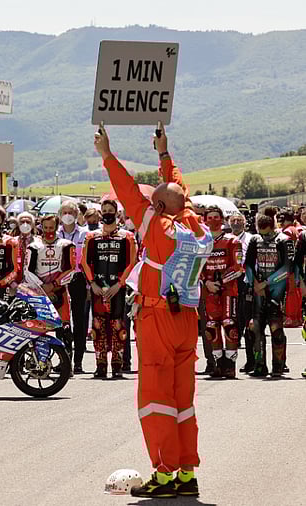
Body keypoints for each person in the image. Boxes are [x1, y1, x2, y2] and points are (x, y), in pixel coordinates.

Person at [96, 122, 208, 497]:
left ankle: (163, 473)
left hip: (157, 317)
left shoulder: (153, 222)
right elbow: (181, 188)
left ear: (158, 204)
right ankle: (187, 472)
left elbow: (126, 189)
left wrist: (108, 155)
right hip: (186, 319)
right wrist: (164, 154)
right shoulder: (192, 221)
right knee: (183, 399)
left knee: (155, 399)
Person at [81, 199, 137, 379]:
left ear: (116, 212)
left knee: (118, 326)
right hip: (98, 288)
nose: (107, 213)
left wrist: (119, 284)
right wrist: (93, 284)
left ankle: (118, 365)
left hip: (118, 289)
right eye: (104, 210)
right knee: (98, 326)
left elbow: (132, 262)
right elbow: (85, 262)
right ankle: (100, 364)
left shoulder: (127, 236)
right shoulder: (91, 237)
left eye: (110, 210)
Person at [26, 215, 76, 371]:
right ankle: (37, 361)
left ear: (57, 227)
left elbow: (71, 269)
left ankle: (66, 363)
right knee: (37, 328)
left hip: (59, 291)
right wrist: (42, 286)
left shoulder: (66, 245)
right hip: (39, 293)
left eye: (51, 228)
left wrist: (54, 284)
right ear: (41, 226)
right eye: (46, 228)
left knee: (64, 328)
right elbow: (27, 271)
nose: (49, 231)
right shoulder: (33, 246)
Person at [244, 213, 292, 377]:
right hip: (258, 289)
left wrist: (266, 283)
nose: (264, 237)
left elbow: (287, 269)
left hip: (277, 289)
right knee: (255, 328)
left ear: (273, 226)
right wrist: (255, 284)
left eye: (268, 234)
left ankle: (278, 365)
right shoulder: (254, 240)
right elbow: (248, 264)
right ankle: (259, 365)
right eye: (262, 234)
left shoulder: (284, 240)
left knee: (276, 328)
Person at [200, 206, 244, 378]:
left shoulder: (233, 241)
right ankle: (218, 363)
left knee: (229, 323)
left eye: (216, 217)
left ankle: (230, 364)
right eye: (209, 217)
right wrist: (207, 282)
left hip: (228, 290)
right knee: (211, 327)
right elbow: (197, 267)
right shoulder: (201, 242)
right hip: (208, 291)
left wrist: (220, 281)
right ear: (205, 220)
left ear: (222, 219)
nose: (213, 220)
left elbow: (238, 267)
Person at [58, 201, 91, 373]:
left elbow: (88, 260)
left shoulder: (85, 235)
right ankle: (64, 359)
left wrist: (88, 286)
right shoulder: (54, 234)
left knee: (79, 321)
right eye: (64, 212)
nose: (67, 215)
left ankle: (78, 360)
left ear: (77, 214)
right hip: (59, 280)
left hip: (78, 279)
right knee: (61, 322)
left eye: (71, 211)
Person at [229, 213, 255, 373]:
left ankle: (251, 360)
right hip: (230, 283)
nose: (236, 223)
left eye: (239, 220)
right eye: (233, 221)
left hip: (247, 282)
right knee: (232, 320)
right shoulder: (225, 239)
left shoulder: (252, 238)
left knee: (248, 321)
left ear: (245, 223)